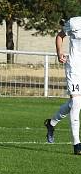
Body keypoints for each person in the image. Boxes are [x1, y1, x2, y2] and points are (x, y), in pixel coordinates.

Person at [44, 17, 81, 155]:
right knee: (77, 102)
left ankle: (51, 123)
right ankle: (77, 144)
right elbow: (60, 36)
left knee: (73, 103)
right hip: (74, 68)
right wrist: (59, 52)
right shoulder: (74, 22)